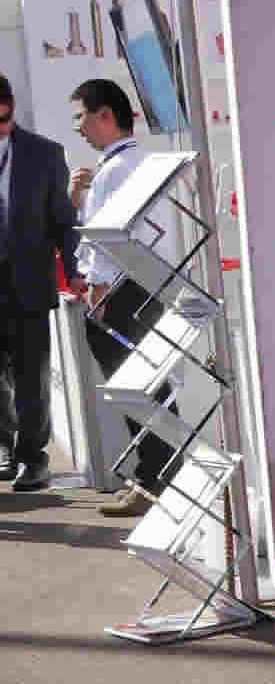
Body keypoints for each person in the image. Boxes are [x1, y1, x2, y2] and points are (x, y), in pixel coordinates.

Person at [63, 78, 171, 516]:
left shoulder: (116, 170)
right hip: (139, 288)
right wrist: (80, 201)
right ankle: (152, 475)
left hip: (124, 293)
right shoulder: (130, 164)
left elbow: (110, 240)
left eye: (81, 117)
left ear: (105, 115)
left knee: (138, 390)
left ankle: (154, 478)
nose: (78, 127)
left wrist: (99, 288)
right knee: (145, 388)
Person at [0, 73, 83, 493]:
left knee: (31, 378)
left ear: (10, 108)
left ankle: (33, 459)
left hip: (28, 283)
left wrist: (76, 270)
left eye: (3, 118)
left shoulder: (45, 154)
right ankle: (4, 447)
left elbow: (63, 222)